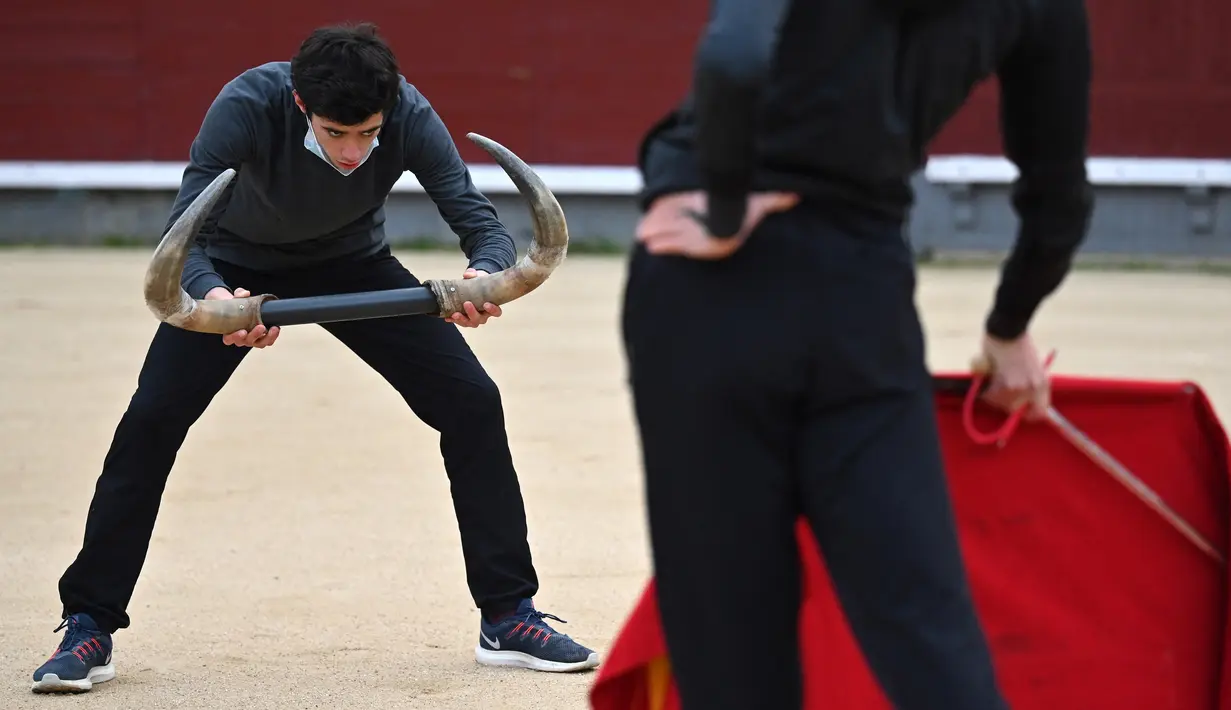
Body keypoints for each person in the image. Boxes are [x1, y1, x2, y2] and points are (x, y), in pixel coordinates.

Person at [31, 22, 599, 695]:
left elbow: (477, 220)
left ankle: (507, 616)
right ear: (301, 105)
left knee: (473, 403)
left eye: (367, 133)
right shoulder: (245, 105)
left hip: (352, 262)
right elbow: (187, 237)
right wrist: (218, 298)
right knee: (150, 421)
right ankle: (90, 623)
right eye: (336, 133)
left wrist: (484, 274)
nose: (354, 152)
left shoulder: (408, 111)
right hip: (237, 267)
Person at [621, 0, 1092, 707]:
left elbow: (733, 57)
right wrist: (1006, 324)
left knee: (729, 639)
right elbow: (1058, 198)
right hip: (859, 291)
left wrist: (725, 201)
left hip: (704, 291)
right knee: (925, 626)